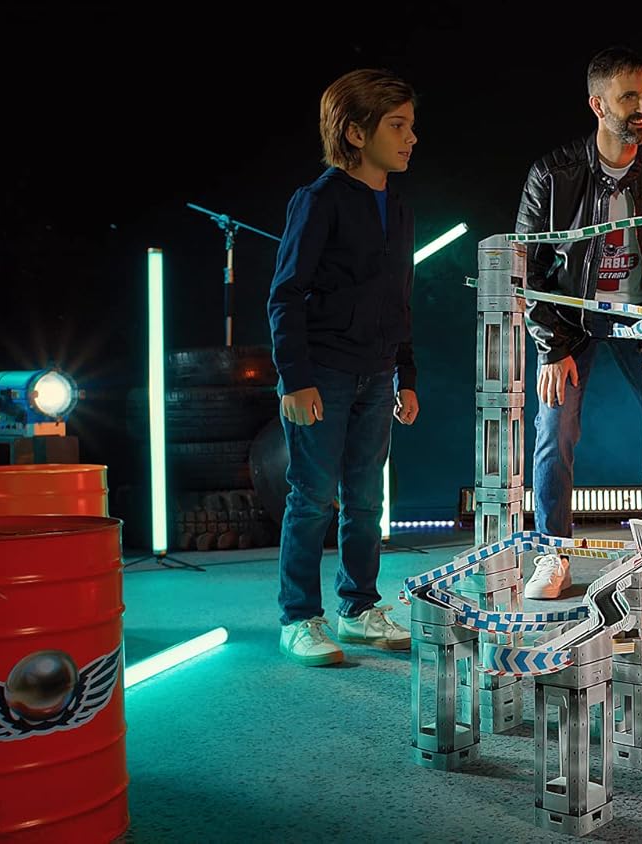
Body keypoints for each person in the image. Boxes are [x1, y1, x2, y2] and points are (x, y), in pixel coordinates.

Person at [516, 46, 642, 599]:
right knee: (554, 433)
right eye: (629, 96)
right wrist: (551, 345)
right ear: (598, 104)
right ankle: (554, 553)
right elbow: (525, 270)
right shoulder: (553, 174)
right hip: (570, 320)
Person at [267, 68, 421, 666]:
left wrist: (405, 374)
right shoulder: (319, 200)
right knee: (311, 498)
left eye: (412, 126)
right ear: (356, 133)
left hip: (377, 376)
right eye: (398, 126)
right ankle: (299, 617)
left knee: (364, 501)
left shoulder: (400, 210)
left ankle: (357, 609)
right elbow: (285, 294)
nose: (411, 138)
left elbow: (400, 299)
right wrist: (295, 378)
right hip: (322, 375)